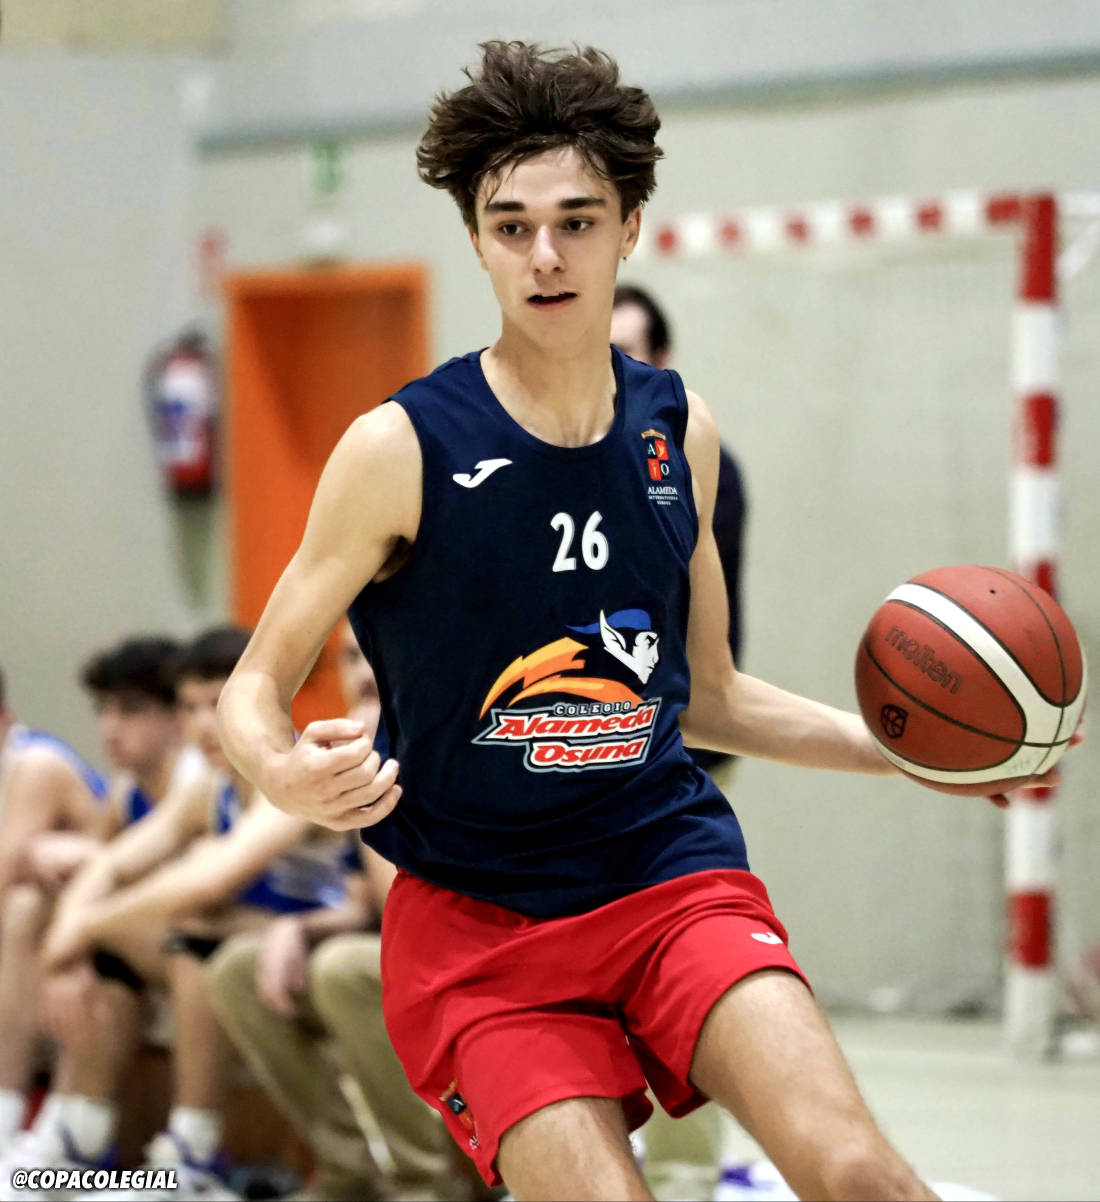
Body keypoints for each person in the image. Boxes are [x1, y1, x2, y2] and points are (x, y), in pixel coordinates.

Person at [215, 42, 1057, 1201]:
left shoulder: (678, 430)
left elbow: (709, 697)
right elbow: (250, 689)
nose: (544, 254)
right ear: (476, 241)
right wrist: (281, 773)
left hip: (665, 873)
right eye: (510, 226)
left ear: (629, 228)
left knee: (857, 1170)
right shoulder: (398, 448)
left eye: (575, 220)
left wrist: (904, 749)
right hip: (480, 922)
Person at [0, 627, 353, 1200]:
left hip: (312, 942)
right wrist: (72, 938)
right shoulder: (210, 786)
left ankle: (195, 1156)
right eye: (190, 707)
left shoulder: (296, 774)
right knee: (121, 949)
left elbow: (209, 881)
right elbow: (112, 864)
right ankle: (77, 1142)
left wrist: (81, 926)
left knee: (189, 930)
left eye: (218, 704)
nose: (203, 724)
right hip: (244, 950)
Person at [208, 620, 461, 1201]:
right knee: (238, 969)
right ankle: (347, 1174)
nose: (364, 671)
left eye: (376, 650)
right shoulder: (346, 752)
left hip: (474, 949)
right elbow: (362, 901)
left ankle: (424, 1184)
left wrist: (375, 774)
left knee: (343, 969)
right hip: (396, 953)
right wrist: (298, 927)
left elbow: (410, 907)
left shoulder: (442, 739)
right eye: (350, 656)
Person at [0, 638, 199, 1147]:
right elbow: (101, 871)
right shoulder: (127, 789)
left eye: (130, 710)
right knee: (43, 919)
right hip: (150, 934)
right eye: (103, 710)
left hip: (223, 930)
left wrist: (67, 945)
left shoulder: (194, 779)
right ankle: (56, 1136)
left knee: (59, 924)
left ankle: (190, 1147)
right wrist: (69, 953)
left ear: (176, 716)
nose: (110, 727)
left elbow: (188, 889)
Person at [611, 283, 747, 800]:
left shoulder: (704, 467)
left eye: (624, 352)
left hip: (685, 744)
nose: (608, 366)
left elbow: (658, 594)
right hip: (589, 744)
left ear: (660, 360)